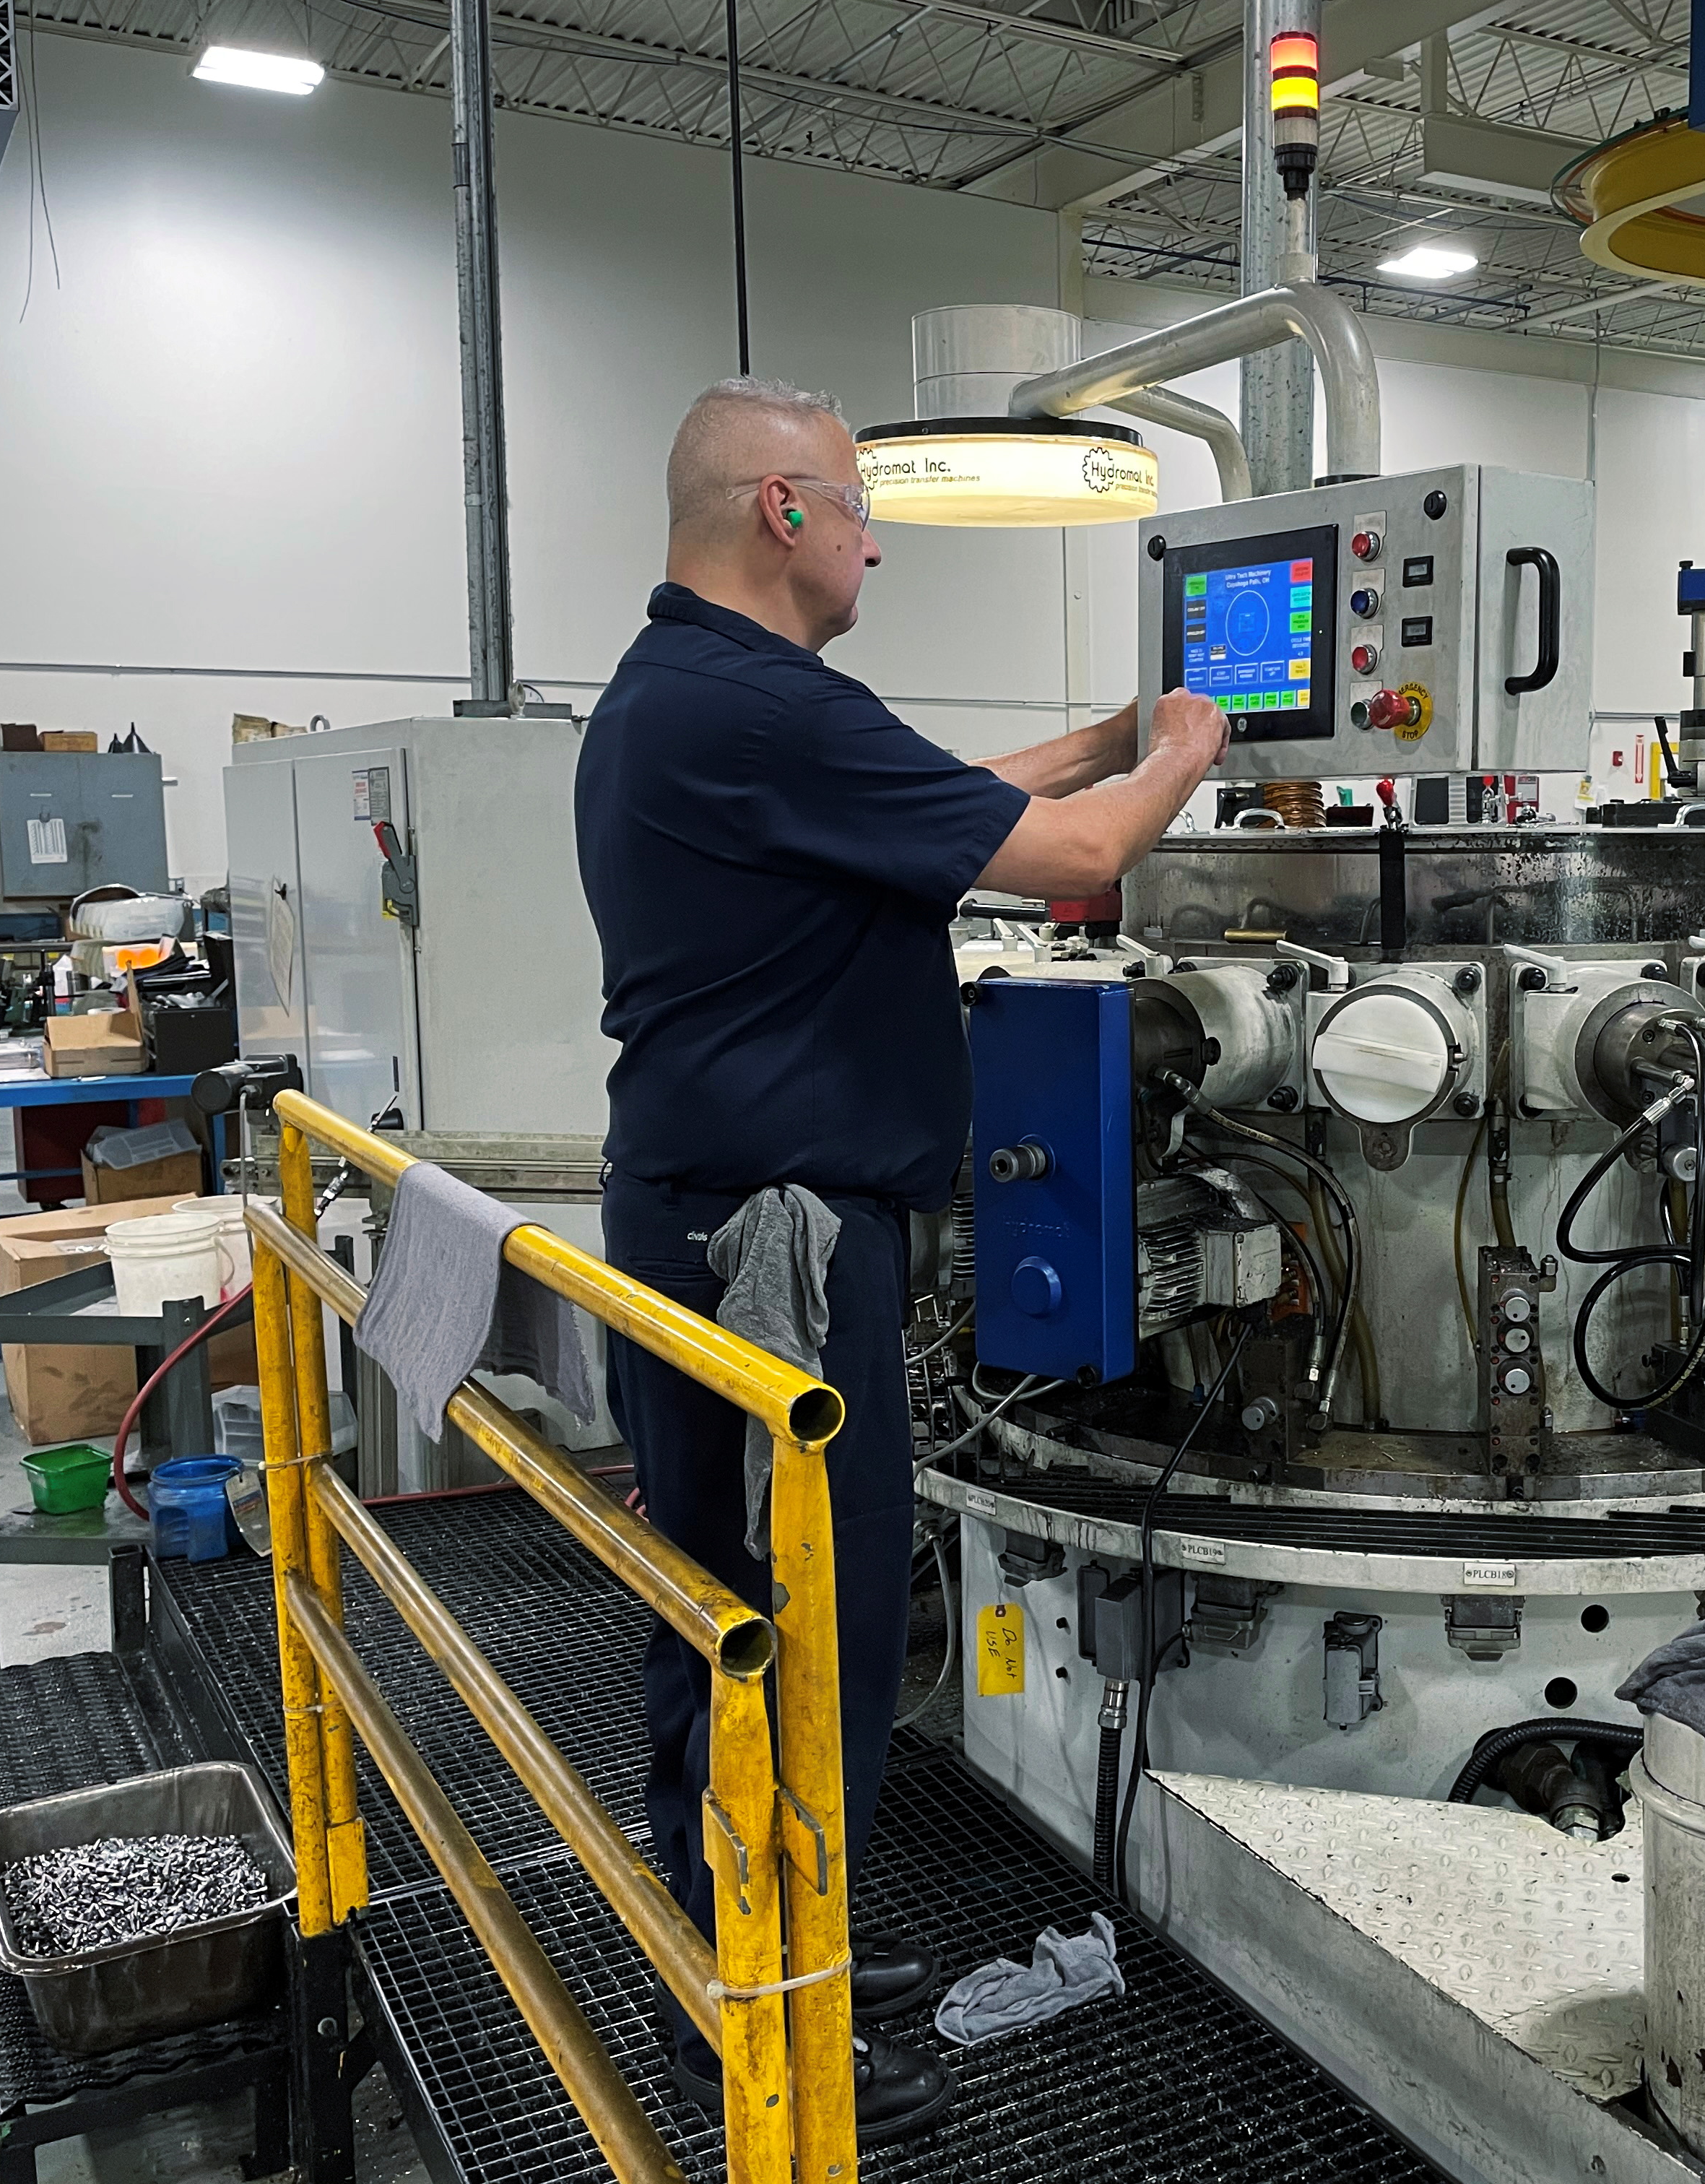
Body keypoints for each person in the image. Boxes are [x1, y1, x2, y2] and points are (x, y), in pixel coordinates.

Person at [573, 376, 1228, 2143]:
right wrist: (1184, 759)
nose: (877, 542)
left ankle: (747, 1938)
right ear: (783, 516)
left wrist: (1104, 738)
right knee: (813, 1623)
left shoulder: (682, 698)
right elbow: (1078, 868)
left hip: (702, 1209)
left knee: (714, 1597)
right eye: (862, 509)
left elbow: (950, 809)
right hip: (782, 1243)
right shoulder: (765, 703)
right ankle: (773, 2015)